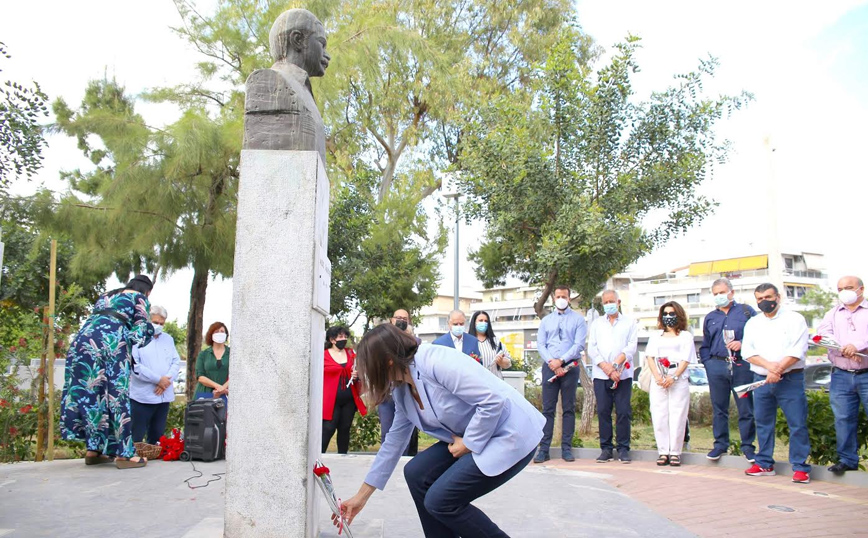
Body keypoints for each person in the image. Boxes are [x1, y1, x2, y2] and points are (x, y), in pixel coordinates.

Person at [336, 324, 545, 537]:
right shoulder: (401, 388)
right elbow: (394, 441)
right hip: (476, 433)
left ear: (387, 361)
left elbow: (493, 400)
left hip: (510, 431)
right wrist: (361, 496)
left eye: (367, 365)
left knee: (441, 500)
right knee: (416, 473)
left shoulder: (435, 361)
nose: (364, 372)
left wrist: (470, 442)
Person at [60, 275, 155, 469]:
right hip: (110, 345)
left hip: (81, 343)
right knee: (116, 395)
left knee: (92, 394)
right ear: (148, 291)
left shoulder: (105, 296)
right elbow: (139, 333)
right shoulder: (140, 298)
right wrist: (150, 331)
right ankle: (125, 455)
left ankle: (94, 451)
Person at [741, 283, 811, 483]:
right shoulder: (753, 323)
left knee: (797, 424)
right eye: (760, 299)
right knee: (763, 423)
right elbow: (748, 352)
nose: (764, 302)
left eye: (768, 297)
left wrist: (778, 370)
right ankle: (764, 463)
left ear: (778, 297)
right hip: (762, 380)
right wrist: (770, 368)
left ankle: (800, 467)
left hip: (790, 379)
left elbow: (798, 350)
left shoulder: (795, 319)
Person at [244, 8, 330, 161]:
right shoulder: (265, 81)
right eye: (321, 44)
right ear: (297, 40)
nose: (327, 55)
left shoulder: (305, 91)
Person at [698, 277, 757, 462]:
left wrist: (744, 344)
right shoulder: (710, 317)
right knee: (719, 408)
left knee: (746, 408)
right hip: (716, 365)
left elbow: (758, 337)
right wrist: (708, 363)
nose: (719, 296)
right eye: (715, 294)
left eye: (722, 293)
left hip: (742, 366)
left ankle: (747, 447)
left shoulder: (747, 312)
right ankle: (720, 445)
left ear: (731, 292)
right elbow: (705, 343)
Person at [817, 276, 868, 474]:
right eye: (840, 288)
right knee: (843, 418)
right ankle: (847, 460)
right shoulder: (832, 313)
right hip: (841, 374)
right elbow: (822, 335)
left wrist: (857, 345)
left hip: (865, 373)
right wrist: (842, 348)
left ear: (861, 289)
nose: (844, 291)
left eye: (848, 287)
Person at [534, 285, 587, 463]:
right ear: (553, 299)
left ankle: (566, 448)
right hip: (550, 366)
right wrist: (552, 362)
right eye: (558, 296)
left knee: (569, 409)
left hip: (569, 368)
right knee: (547, 409)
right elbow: (541, 345)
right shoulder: (546, 321)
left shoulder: (578, 320)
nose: (561, 299)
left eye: (564, 296)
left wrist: (561, 360)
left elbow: (579, 345)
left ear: (569, 298)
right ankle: (544, 449)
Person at [588, 290, 638, 464]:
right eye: (605, 302)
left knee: (623, 412)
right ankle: (606, 449)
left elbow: (631, 347)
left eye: (612, 301)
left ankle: (623, 449)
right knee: (603, 412)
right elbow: (592, 349)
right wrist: (607, 368)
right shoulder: (596, 324)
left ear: (618, 302)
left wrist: (617, 365)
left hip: (623, 375)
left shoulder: (630, 323)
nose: (608, 304)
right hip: (601, 375)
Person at [645, 301, 696, 467]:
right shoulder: (656, 336)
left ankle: (675, 452)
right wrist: (658, 377)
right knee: (659, 415)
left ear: (678, 315)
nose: (668, 317)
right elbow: (650, 357)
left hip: (678, 380)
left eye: (671, 313)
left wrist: (673, 377)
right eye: (665, 314)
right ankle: (663, 451)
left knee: (678, 415)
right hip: (658, 380)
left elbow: (686, 359)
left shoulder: (685, 336)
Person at [130, 305, 181, 445]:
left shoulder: (168, 339)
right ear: (147, 320)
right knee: (136, 437)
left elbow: (176, 362)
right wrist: (158, 380)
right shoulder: (137, 338)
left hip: (163, 396)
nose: (158, 326)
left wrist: (166, 381)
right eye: (155, 322)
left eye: (161, 323)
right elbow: (135, 366)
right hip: (143, 396)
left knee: (157, 439)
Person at [378, 309, 419, 456]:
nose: (401, 320)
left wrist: (409, 337)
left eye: (404, 318)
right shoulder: (382, 340)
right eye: (398, 318)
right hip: (387, 394)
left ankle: (404, 462)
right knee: (387, 432)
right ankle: (386, 462)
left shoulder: (414, 341)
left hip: (407, 392)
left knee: (406, 434)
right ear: (391, 320)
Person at [322, 326, 367, 454]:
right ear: (332, 339)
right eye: (340, 337)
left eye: (345, 336)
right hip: (331, 399)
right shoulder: (323, 355)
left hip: (349, 399)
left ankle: (343, 455)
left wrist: (356, 375)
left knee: (345, 428)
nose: (344, 339)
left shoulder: (351, 353)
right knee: (328, 428)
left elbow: (358, 370)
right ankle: (319, 457)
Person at [468, 310, 512, 379]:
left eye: (486, 321)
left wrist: (501, 361)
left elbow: (508, 363)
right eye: (480, 320)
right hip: (475, 383)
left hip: (495, 382)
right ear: (474, 323)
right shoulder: (467, 341)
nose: (483, 323)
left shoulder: (496, 342)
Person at [195, 322, 230, 401]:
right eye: (216, 331)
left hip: (224, 394)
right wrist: (219, 387)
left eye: (222, 331)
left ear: (226, 335)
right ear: (211, 334)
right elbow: (200, 377)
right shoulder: (203, 354)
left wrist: (222, 390)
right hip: (204, 394)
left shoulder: (232, 354)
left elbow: (235, 375)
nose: (219, 333)